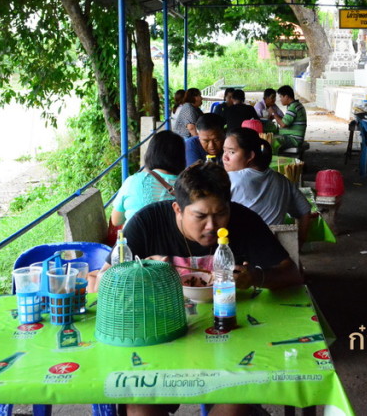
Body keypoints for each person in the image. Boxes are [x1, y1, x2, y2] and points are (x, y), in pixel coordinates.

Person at [94, 162, 302, 416]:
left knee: (234, 402)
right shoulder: (147, 223)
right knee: (139, 406)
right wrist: (143, 273)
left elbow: (292, 273)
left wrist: (257, 276)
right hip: (160, 335)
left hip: (232, 335)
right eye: (200, 216)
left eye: (221, 213)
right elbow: (104, 281)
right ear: (177, 209)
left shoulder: (244, 220)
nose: (212, 226)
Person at [223, 128, 313, 245]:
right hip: (275, 250)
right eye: (224, 151)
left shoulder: (231, 180)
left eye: (231, 152)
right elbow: (305, 211)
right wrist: (299, 243)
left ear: (250, 155)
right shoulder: (282, 180)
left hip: (241, 252)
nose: (224, 157)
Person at [111, 130, 186, 226]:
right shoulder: (188, 185)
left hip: (134, 239)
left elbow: (116, 221)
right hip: (174, 240)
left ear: (150, 154)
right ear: (181, 157)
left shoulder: (132, 181)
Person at [274, 84, 307, 150]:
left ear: (286, 96)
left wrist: (273, 113)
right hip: (292, 137)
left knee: (270, 141)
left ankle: (272, 159)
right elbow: (285, 120)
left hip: (293, 139)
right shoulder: (296, 105)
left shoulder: (293, 107)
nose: (280, 100)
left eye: (281, 97)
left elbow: (283, 124)